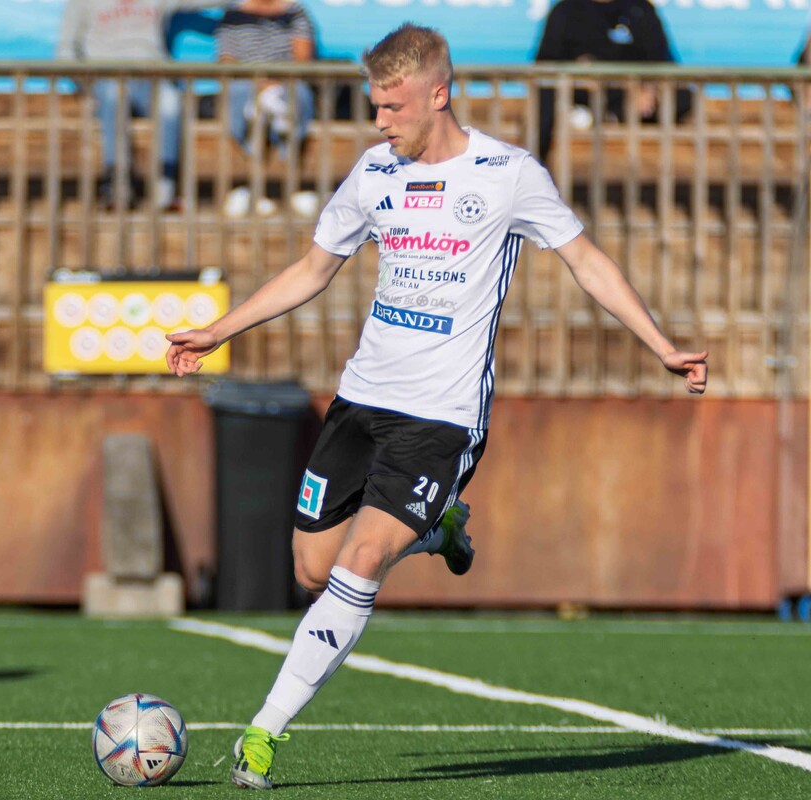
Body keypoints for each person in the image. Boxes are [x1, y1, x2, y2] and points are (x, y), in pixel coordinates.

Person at [165, 23, 707, 790]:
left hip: (442, 416)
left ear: (439, 94)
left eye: (393, 106)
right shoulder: (374, 172)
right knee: (312, 569)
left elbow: (586, 261)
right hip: (361, 400)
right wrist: (220, 330)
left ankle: (262, 735)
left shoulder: (507, 174)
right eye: (374, 105)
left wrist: (661, 345)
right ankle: (437, 526)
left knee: (360, 561)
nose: (379, 120)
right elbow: (313, 269)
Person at [56, 0, 227, 210]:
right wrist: (85, 85)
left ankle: (165, 186)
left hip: (153, 75)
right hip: (106, 76)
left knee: (170, 103)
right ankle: (117, 185)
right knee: (114, 97)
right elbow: (66, 47)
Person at [533, 0, 691, 162]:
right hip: (582, 92)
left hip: (630, 95)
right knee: (546, 96)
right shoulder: (565, 10)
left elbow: (662, 62)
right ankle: (535, 163)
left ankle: (609, 116)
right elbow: (545, 64)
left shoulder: (640, 9)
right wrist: (578, 75)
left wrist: (648, 87)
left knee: (682, 98)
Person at [216, 0, 318, 218]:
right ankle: (255, 188)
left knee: (297, 96)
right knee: (238, 96)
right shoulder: (233, 15)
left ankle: (261, 189)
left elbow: (302, 60)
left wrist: (273, 83)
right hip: (246, 83)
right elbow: (226, 61)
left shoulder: (296, 12)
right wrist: (259, 83)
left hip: (286, 82)